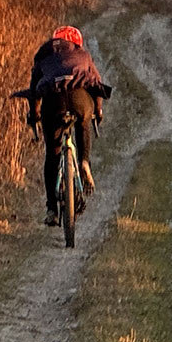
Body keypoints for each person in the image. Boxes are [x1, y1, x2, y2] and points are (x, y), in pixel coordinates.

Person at [21, 25, 112, 227]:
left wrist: (35, 115)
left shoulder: (43, 54)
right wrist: (98, 111)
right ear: (76, 42)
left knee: (52, 155)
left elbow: (35, 90)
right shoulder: (83, 55)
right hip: (80, 98)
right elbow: (96, 84)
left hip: (53, 101)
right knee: (83, 123)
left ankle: (52, 209)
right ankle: (84, 161)